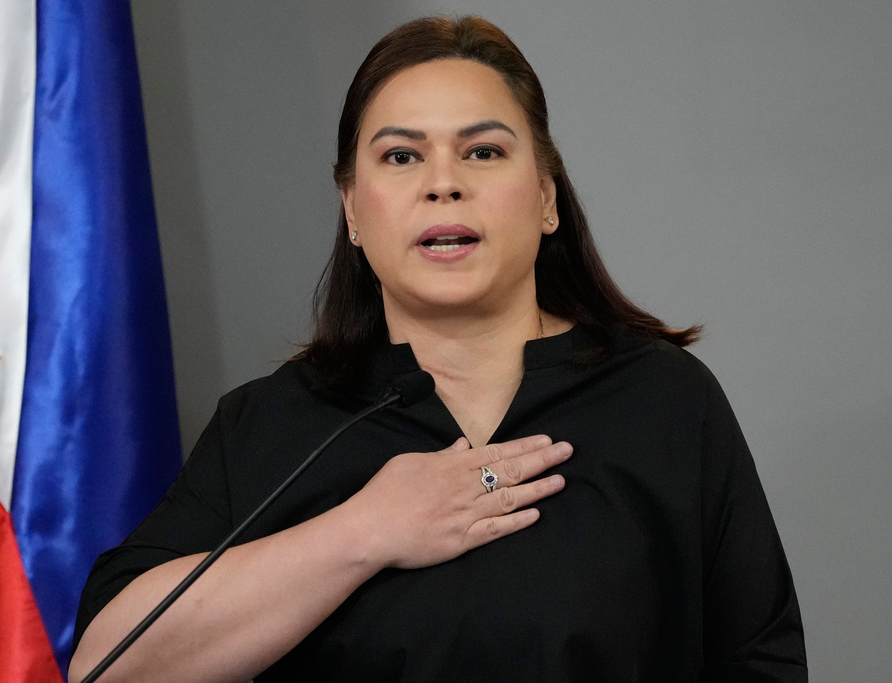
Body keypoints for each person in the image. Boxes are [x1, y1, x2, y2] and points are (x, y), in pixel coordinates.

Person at [68, 16, 807, 682]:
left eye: (483, 151)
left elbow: (762, 662)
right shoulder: (267, 425)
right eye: (401, 156)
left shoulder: (667, 400)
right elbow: (107, 665)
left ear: (546, 197)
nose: (444, 183)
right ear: (353, 210)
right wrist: (364, 531)